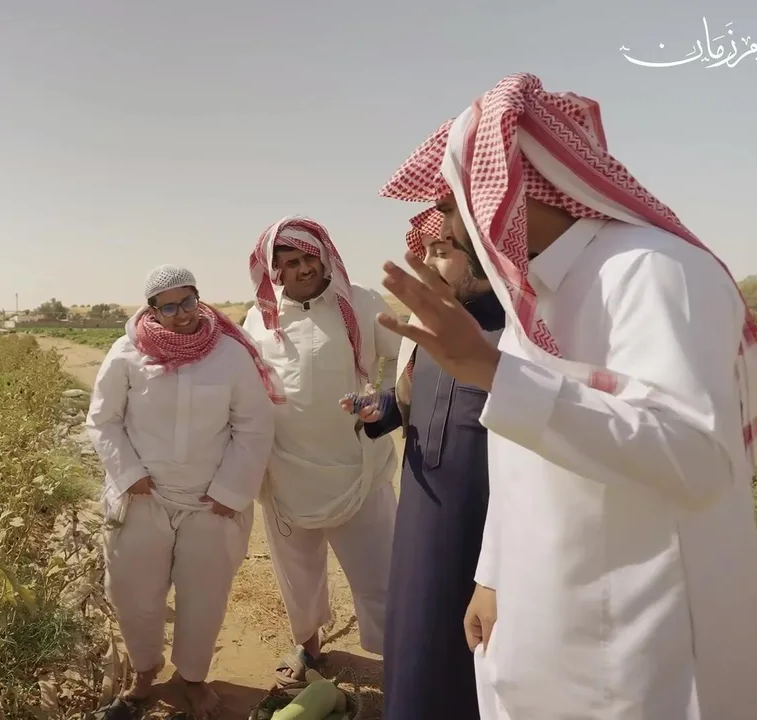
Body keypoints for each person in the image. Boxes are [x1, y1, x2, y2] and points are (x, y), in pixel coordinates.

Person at [376, 72, 757, 719]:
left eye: (448, 204)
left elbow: (698, 460)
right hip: (540, 620)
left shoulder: (653, 272)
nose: (443, 225)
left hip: (639, 648)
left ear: (509, 185)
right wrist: (494, 572)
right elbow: (521, 458)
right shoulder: (534, 296)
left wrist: (491, 371)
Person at [87, 264, 279, 719]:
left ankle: (192, 679)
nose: (182, 314)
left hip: (210, 504)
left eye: (187, 301)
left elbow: (253, 425)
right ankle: (144, 675)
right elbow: (103, 420)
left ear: (198, 297)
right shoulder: (127, 352)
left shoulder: (229, 353)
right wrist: (129, 473)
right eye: (169, 307)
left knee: (204, 597)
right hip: (141, 498)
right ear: (153, 311)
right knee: (133, 595)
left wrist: (230, 490)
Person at [339, 206, 503, 720]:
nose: (429, 265)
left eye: (442, 252)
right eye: (427, 252)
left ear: (479, 255)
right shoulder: (433, 327)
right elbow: (419, 400)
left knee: (464, 657)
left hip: (480, 528)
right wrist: (381, 408)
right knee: (412, 638)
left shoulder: (515, 334)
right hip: (418, 513)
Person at [242, 216, 401, 687]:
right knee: (298, 572)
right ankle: (308, 647)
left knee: (381, 570)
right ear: (275, 271)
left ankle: (398, 659)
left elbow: (403, 355)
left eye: (309, 257)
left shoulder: (363, 303)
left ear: (325, 256)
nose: (303, 268)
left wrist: (384, 398)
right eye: (289, 262)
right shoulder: (258, 318)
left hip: (355, 465)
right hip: (286, 469)